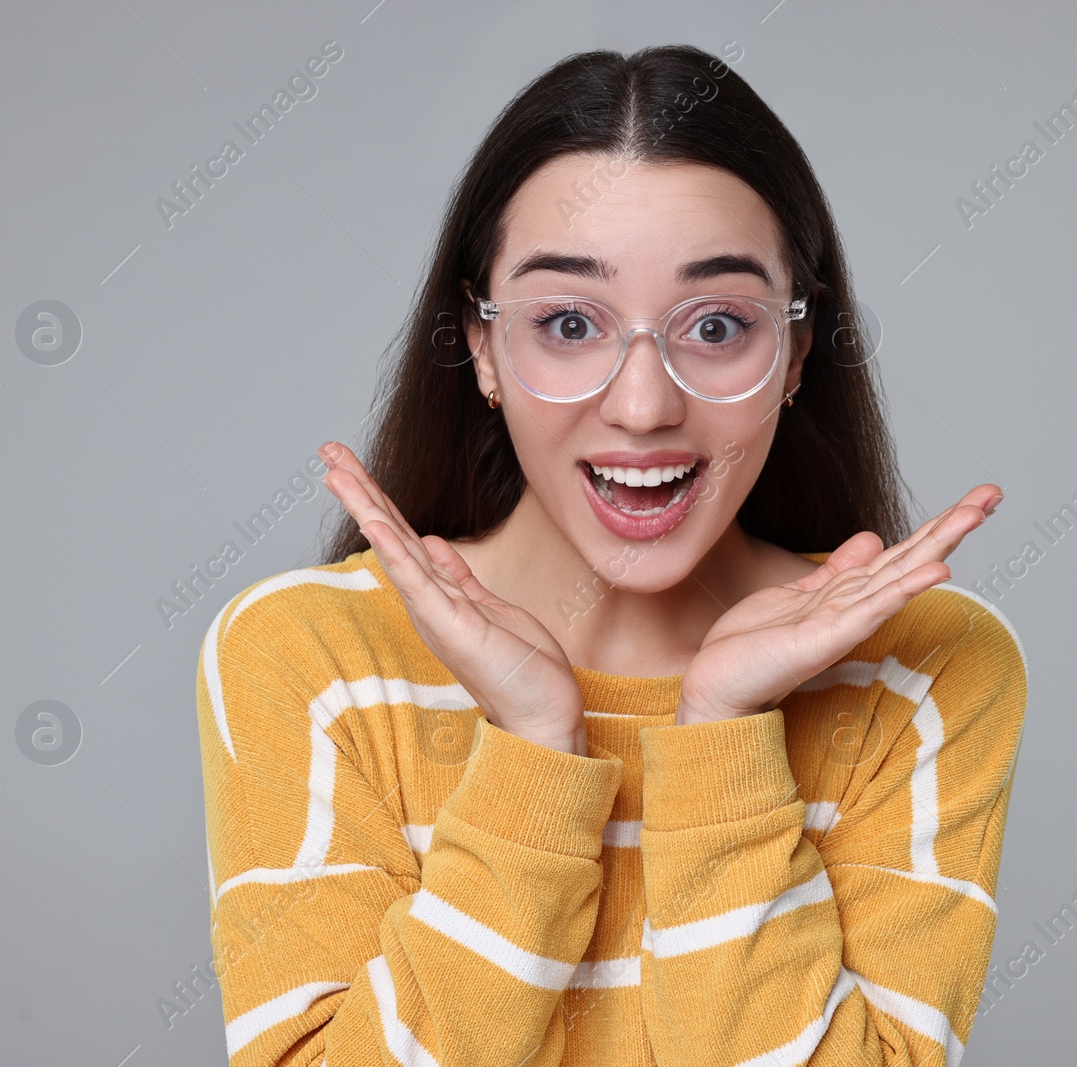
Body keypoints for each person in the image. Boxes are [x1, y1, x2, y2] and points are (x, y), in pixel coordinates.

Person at [196, 43, 1027, 1067]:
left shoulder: (923, 664)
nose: (642, 406)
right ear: (485, 348)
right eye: (570, 322)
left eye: (718, 323)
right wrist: (535, 753)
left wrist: (720, 731)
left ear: (797, 353)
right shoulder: (309, 655)